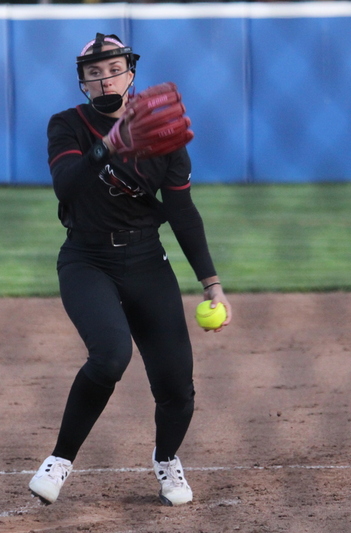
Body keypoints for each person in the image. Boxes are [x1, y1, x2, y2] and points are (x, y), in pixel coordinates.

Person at [28, 32, 232, 507]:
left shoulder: (164, 132)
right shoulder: (68, 125)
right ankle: (59, 461)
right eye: (93, 74)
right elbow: (65, 187)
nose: (105, 79)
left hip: (146, 260)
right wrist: (108, 146)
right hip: (87, 260)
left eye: (114, 69)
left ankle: (166, 460)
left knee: (178, 385)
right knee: (110, 356)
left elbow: (182, 212)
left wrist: (212, 284)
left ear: (131, 73)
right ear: (83, 84)